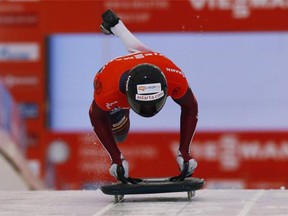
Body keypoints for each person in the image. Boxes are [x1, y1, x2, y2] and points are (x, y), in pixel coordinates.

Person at [89, 9, 198, 183]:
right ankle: (117, 26)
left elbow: (191, 106)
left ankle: (117, 26)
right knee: (120, 133)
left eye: (152, 104)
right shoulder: (108, 91)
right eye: (144, 105)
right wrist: (116, 158)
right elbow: (95, 116)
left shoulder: (174, 78)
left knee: (141, 51)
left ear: (165, 88)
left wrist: (185, 152)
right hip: (117, 80)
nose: (149, 110)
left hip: (155, 64)